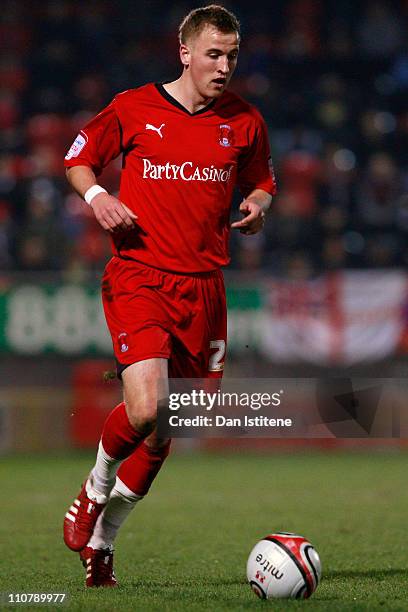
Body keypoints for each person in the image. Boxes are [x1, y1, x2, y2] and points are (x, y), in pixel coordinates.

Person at [63, 4, 276, 587]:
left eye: (232, 55)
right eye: (214, 53)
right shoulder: (134, 107)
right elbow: (77, 159)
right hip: (140, 276)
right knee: (145, 407)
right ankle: (93, 489)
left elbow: (261, 178)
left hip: (205, 289)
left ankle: (104, 542)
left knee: (166, 429)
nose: (224, 65)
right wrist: (99, 197)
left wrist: (258, 205)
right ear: (185, 53)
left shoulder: (246, 120)